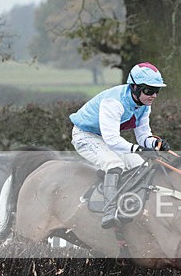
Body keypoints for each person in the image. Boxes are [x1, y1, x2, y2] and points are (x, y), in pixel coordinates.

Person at [70, 62, 170, 229]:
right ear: (135, 88)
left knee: (140, 166)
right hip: (85, 136)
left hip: (105, 138)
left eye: (157, 91)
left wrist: (156, 143)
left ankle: (129, 206)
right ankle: (109, 210)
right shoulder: (113, 102)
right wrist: (138, 149)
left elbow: (143, 136)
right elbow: (112, 139)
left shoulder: (144, 106)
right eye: (149, 90)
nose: (153, 95)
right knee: (114, 164)